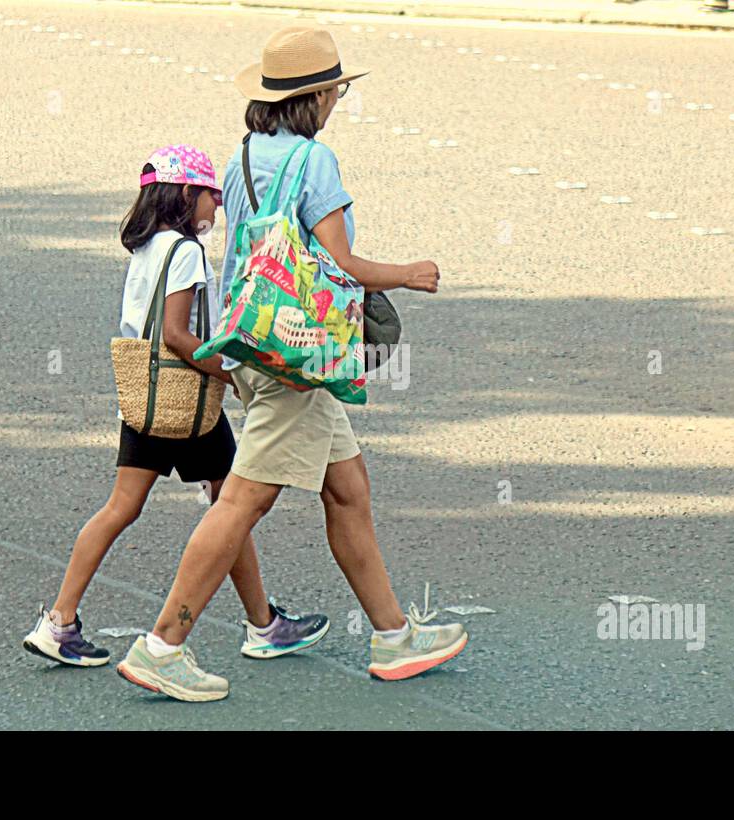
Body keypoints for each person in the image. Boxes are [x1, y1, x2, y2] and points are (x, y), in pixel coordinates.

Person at [115, 28, 468, 703]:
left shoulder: (245, 154)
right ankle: (162, 645)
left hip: (254, 337)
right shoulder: (316, 162)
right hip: (299, 353)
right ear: (316, 98)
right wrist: (411, 274)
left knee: (348, 488)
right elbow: (338, 264)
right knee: (244, 498)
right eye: (334, 90)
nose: (338, 99)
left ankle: (394, 635)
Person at [22, 144, 330, 669]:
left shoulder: (147, 247)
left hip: (144, 396)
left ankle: (59, 621)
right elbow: (177, 334)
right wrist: (227, 371)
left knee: (126, 508)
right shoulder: (185, 251)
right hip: (185, 401)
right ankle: (263, 626)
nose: (217, 208)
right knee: (230, 507)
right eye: (211, 196)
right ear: (187, 194)